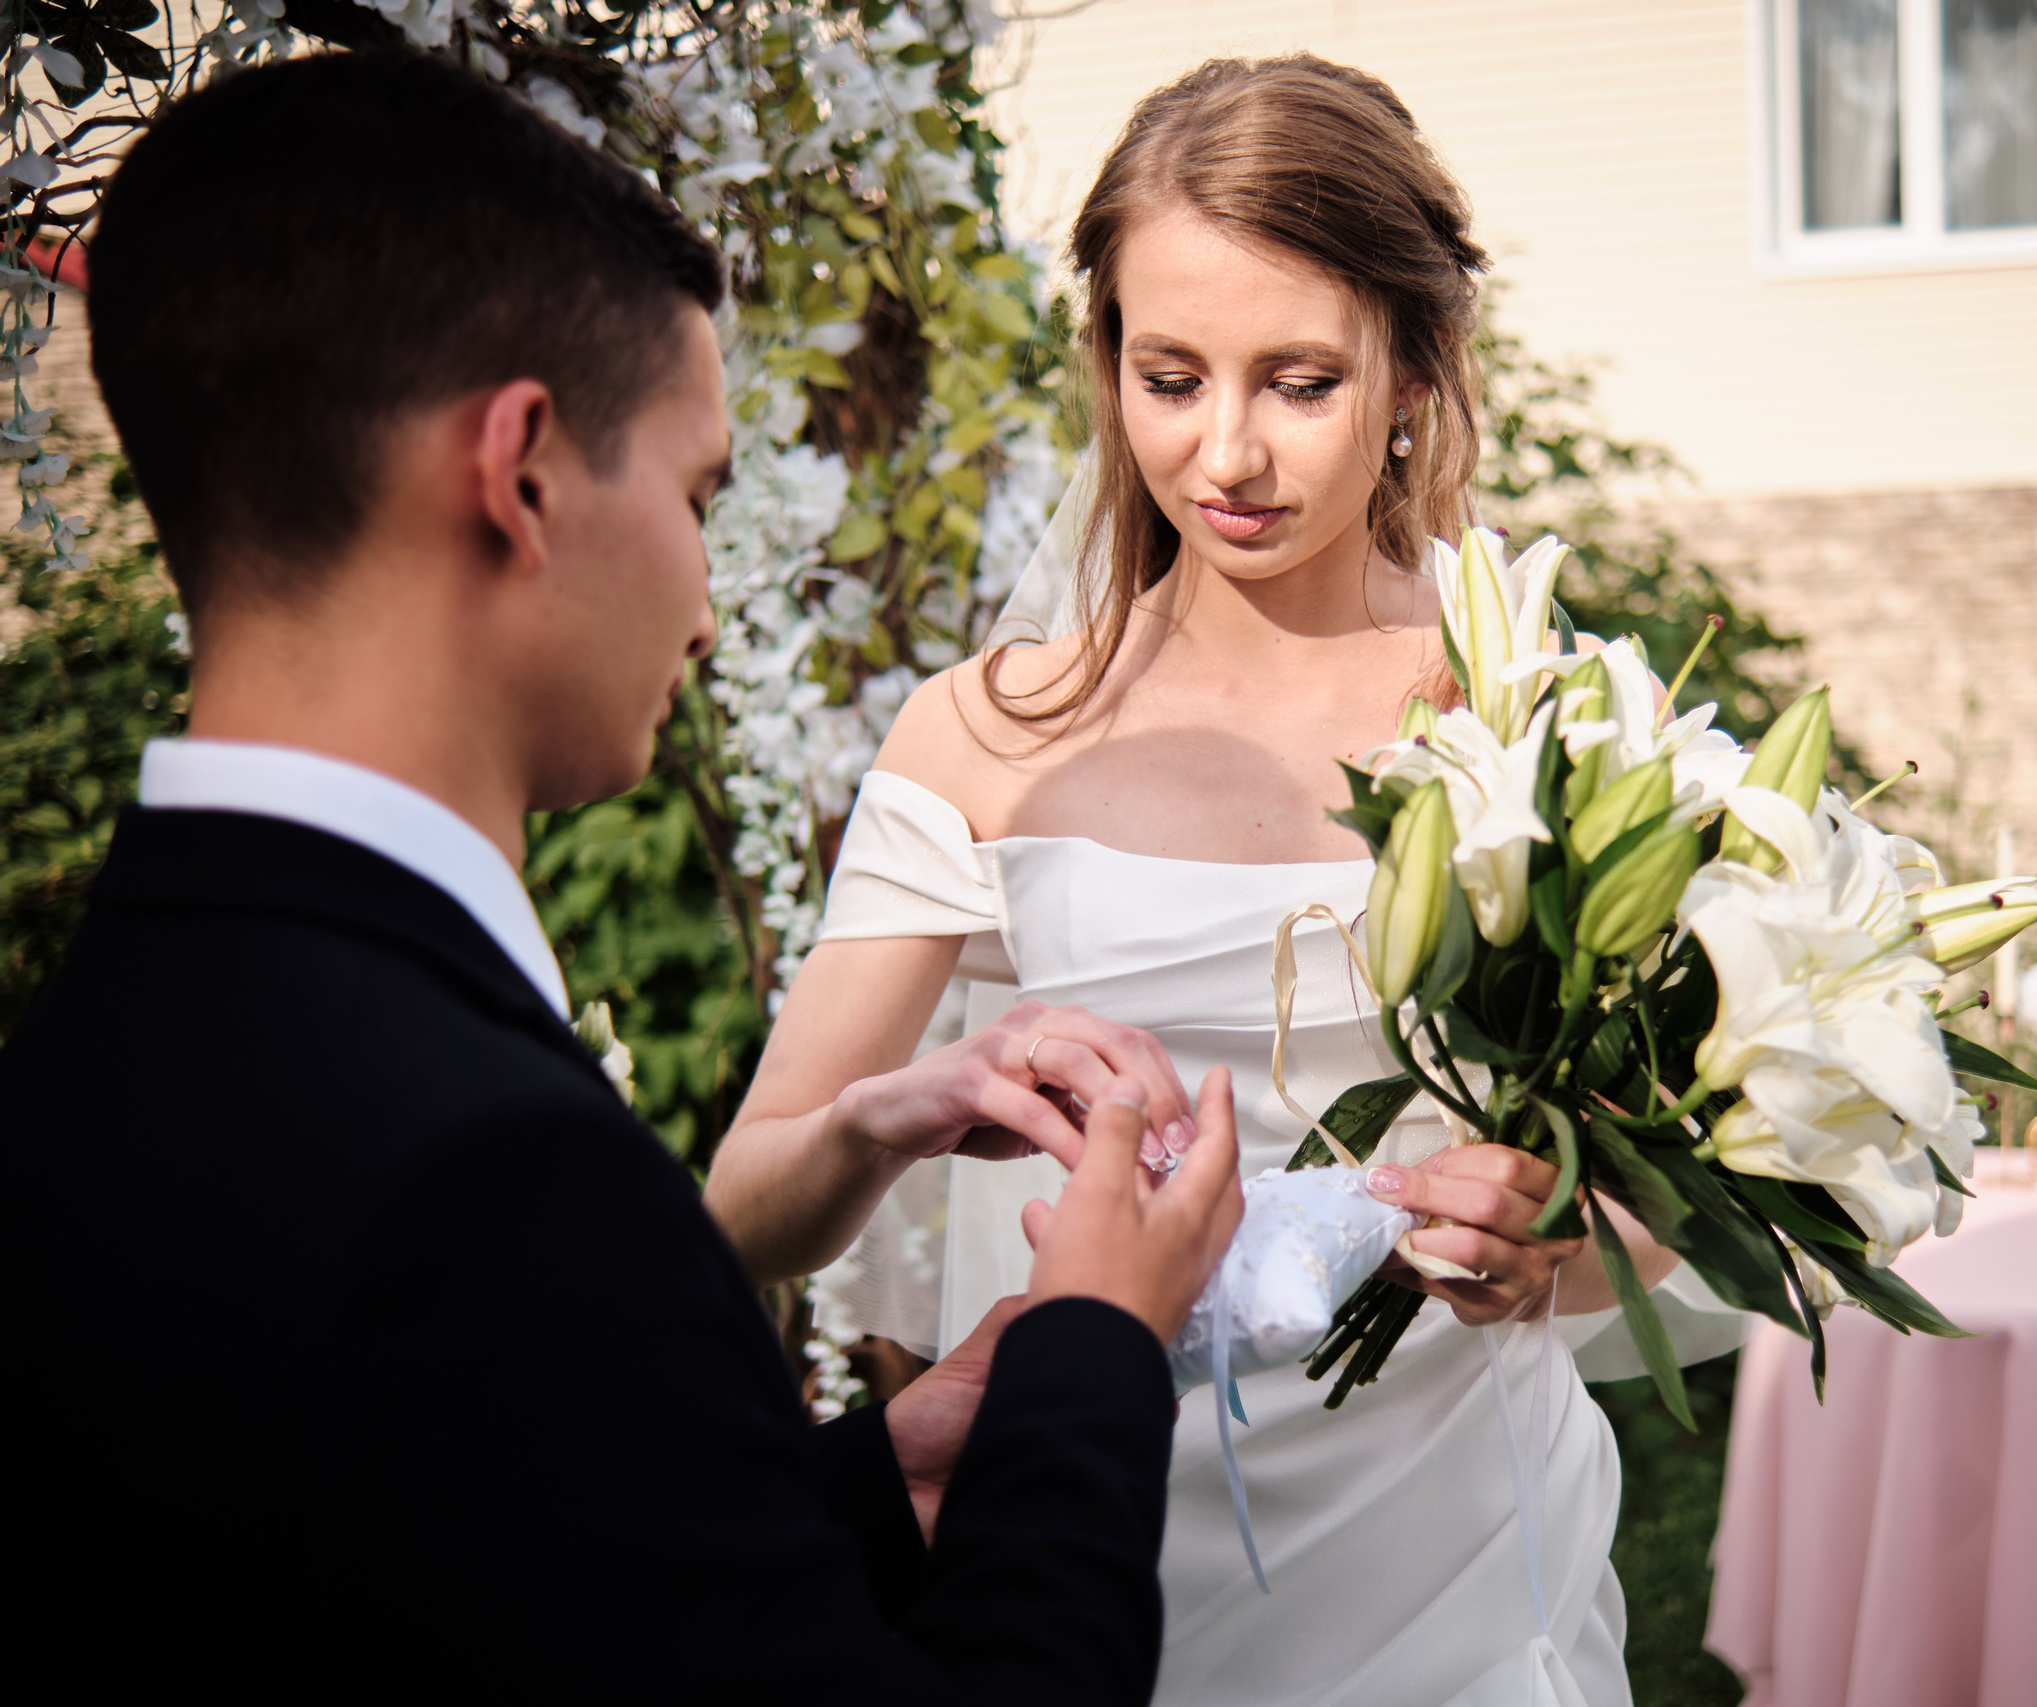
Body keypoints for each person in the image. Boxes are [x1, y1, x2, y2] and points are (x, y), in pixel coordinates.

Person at [0, 51, 1242, 1702]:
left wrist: (882, 1478)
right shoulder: (492, 1174)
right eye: (693, 492)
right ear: (519, 474)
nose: (712, 605)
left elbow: (454, 1565)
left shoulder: (96, 1052)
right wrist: (1097, 1350)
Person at [708, 55, 1749, 1707]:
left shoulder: (1541, 707)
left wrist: (1575, 1232)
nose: (1229, 453)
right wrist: (897, 1105)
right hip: (1082, 1518)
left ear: (1415, 370)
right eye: (1170, 374)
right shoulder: (985, 738)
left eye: (1300, 381)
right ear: (1108, 362)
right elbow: (746, 1203)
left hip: (1457, 1553)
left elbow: (1695, 1174)